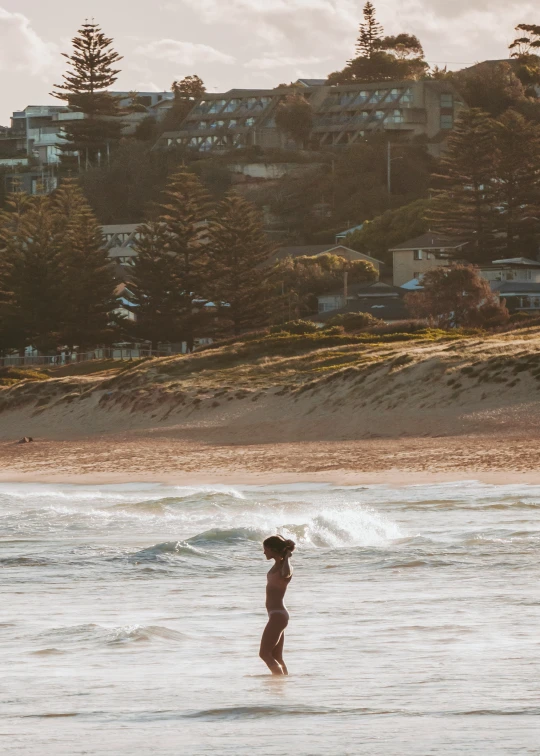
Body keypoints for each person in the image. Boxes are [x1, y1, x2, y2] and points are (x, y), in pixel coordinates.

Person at [260, 535, 295, 675]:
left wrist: (287, 557)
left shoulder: (285, 567)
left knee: (264, 654)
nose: (264, 552)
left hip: (278, 616)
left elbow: (286, 574)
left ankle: (277, 681)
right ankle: (283, 686)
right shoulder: (276, 565)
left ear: (273, 549)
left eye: (266, 549)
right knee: (277, 656)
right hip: (276, 616)